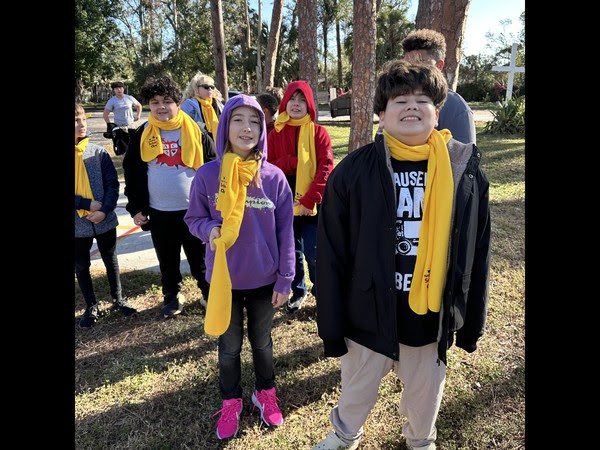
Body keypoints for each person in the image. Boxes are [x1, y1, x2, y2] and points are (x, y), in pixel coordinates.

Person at [312, 60, 491, 450]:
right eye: (400, 100)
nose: (412, 106)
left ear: (438, 111)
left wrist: (471, 318)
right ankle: (345, 434)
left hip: (431, 315)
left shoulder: (464, 170)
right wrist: (331, 320)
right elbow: (331, 252)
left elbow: (478, 250)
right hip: (368, 311)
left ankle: (421, 440)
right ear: (381, 113)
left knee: (425, 393)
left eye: (422, 99)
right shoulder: (353, 172)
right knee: (357, 386)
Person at [184, 94, 295, 440]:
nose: (246, 128)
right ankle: (231, 400)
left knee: (262, 344)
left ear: (262, 129)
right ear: (225, 126)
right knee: (229, 347)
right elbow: (193, 219)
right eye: (238, 120)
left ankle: (265, 394)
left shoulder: (274, 177)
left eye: (254, 121)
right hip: (224, 281)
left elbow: (286, 232)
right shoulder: (207, 175)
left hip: (265, 281)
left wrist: (286, 278)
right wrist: (208, 229)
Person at [123, 76, 216, 318]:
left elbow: (214, 166)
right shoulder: (142, 134)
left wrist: (215, 205)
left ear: (178, 102)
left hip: (195, 212)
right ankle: (172, 296)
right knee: (167, 259)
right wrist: (136, 208)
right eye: (154, 102)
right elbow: (132, 173)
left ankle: (208, 293)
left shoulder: (196, 130)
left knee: (201, 259)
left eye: (167, 101)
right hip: (160, 211)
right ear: (149, 106)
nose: (161, 107)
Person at [267, 80, 334, 313]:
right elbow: (270, 167)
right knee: (291, 252)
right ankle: (298, 291)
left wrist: (308, 201)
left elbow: (325, 167)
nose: (296, 105)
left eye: (302, 100)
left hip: (312, 204)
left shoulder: (318, 132)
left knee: (315, 252)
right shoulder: (274, 132)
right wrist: (292, 162)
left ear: (310, 105)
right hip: (283, 201)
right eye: (292, 100)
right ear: (285, 102)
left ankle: (321, 293)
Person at [75, 104, 137, 328]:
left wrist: (103, 210)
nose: (81, 125)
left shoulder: (97, 152)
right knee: (81, 264)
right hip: (77, 224)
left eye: (82, 119)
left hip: (105, 218)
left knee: (110, 260)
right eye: (76, 120)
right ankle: (91, 306)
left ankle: (117, 299)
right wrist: (85, 204)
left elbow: (112, 184)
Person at [402, 29, 477, 145]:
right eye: (408, 63)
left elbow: (465, 159)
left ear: (439, 65)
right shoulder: (396, 102)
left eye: (422, 62)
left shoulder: (456, 108)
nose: (413, 70)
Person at [181, 72, 224, 144]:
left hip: (219, 143)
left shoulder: (217, 103)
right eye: (206, 87)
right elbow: (185, 127)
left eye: (212, 87)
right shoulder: (189, 104)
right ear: (196, 88)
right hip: (199, 143)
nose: (210, 89)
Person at [103, 81, 143, 155]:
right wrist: (109, 125)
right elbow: (105, 114)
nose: (119, 90)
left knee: (134, 146)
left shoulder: (129, 98)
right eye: (116, 88)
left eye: (120, 87)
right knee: (123, 148)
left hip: (131, 125)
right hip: (119, 127)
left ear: (123, 88)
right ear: (114, 90)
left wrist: (138, 116)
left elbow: (139, 106)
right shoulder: (112, 101)